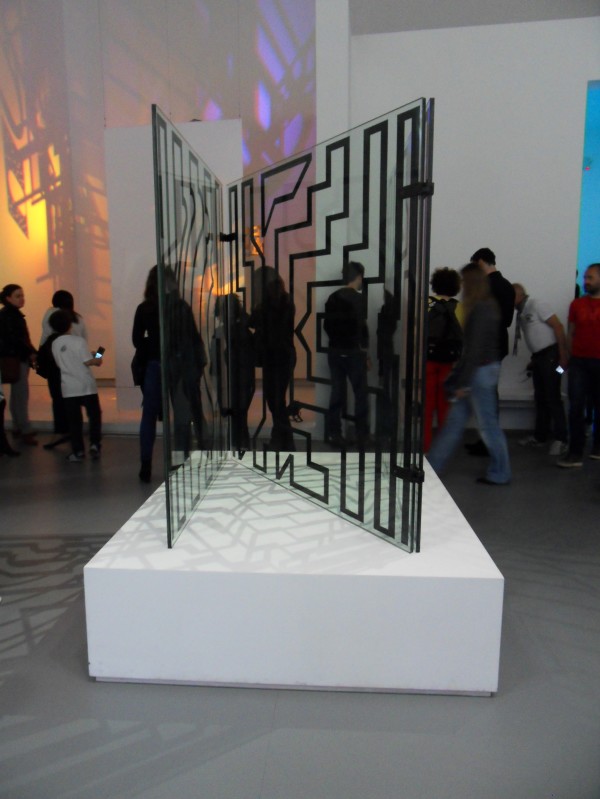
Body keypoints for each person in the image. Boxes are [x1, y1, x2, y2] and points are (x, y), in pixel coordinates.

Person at [427, 263, 511, 485]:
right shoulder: (486, 306)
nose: (462, 285)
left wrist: (462, 383)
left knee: (486, 426)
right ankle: (433, 465)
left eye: (464, 281)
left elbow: (474, 351)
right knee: (455, 423)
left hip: (479, 373)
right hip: (482, 371)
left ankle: (501, 472)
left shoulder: (481, 308)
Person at [512, 283, 568, 455]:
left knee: (553, 396)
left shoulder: (536, 305)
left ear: (518, 295)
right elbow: (536, 336)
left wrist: (563, 356)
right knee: (541, 397)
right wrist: (534, 359)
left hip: (552, 358)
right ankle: (540, 436)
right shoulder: (521, 312)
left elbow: (558, 326)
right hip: (539, 359)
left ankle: (561, 439)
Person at [557, 262, 600, 468]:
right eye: (585, 278)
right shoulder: (577, 305)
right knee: (575, 406)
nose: (586, 281)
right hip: (579, 362)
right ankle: (575, 451)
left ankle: (597, 447)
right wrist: (566, 355)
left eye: (590, 277)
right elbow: (571, 332)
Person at [324, 261, 370, 448]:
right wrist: (365, 352)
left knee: (337, 393)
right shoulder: (359, 299)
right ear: (359, 277)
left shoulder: (332, 298)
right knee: (360, 394)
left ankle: (334, 434)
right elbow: (361, 328)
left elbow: (327, 326)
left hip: (335, 351)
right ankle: (362, 435)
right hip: (353, 352)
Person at [250, 268, 296, 451]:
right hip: (285, 355)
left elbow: (253, 322)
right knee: (278, 400)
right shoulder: (286, 300)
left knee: (275, 401)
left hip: (273, 356)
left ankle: (283, 441)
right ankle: (282, 440)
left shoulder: (267, 304)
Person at [50, 310, 103, 462]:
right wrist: (99, 355)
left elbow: (61, 363)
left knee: (74, 422)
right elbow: (90, 362)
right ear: (70, 325)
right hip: (86, 386)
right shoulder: (79, 341)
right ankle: (94, 444)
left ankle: (78, 451)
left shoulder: (54, 343)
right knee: (94, 416)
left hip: (68, 388)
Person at [39, 290, 87, 450]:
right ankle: (80, 438)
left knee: (58, 399)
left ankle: (61, 432)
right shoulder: (79, 319)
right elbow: (90, 354)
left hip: (55, 367)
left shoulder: (51, 316)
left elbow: (44, 338)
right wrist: (100, 353)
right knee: (75, 402)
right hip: (78, 370)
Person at [424, 267, 463, 452]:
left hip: (428, 360)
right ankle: (442, 449)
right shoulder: (460, 307)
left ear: (435, 284)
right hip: (449, 361)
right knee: (444, 406)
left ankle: (425, 446)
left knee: (426, 405)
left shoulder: (426, 304)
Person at [132, 266, 161, 482]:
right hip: (173, 362)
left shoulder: (144, 308)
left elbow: (136, 339)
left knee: (148, 415)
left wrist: (150, 346)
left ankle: (146, 463)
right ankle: (182, 460)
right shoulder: (177, 305)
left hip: (152, 363)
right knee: (181, 413)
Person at [0, 284, 38, 446]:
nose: (22, 299)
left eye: (22, 295)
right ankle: (24, 429)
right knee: (20, 395)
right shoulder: (12, 316)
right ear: (8, 298)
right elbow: (18, 339)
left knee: (17, 395)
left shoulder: (8, 314)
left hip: (13, 358)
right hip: (16, 359)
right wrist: (31, 352)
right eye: (18, 296)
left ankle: (18, 426)